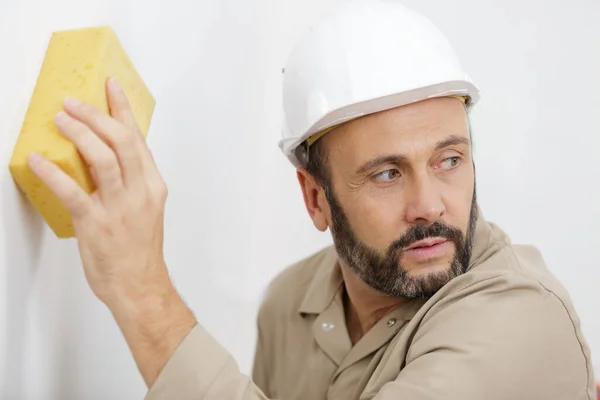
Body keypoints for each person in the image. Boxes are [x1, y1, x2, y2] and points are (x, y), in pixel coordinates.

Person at [27, 0, 595, 399]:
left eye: (450, 160)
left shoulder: (519, 317)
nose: (430, 205)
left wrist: (142, 293)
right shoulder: (290, 305)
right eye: (386, 174)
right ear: (315, 197)